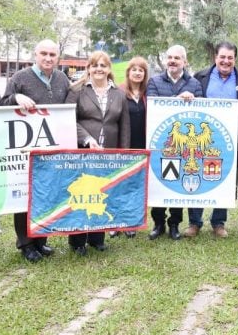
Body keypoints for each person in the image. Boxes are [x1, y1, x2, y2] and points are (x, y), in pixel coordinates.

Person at [0, 39, 70, 262]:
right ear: (35, 55)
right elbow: (1, 104)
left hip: (53, 146)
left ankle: (41, 240)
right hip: (25, 147)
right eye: (44, 54)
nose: (48, 58)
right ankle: (26, 243)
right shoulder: (19, 78)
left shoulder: (62, 78)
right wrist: (15, 97)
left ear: (58, 57)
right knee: (25, 196)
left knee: (48, 194)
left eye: (52, 54)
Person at [64, 51, 130, 255]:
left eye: (103, 65)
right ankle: (77, 241)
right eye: (95, 65)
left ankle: (97, 237)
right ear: (89, 68)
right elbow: (67, 119)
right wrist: (86, 138)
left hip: (108, 153)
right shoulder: (77, 90)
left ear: (109, 69)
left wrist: (123, 155)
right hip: (82, 151)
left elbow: (124, 126)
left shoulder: (118, 94)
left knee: (102, 193)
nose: (99, 69)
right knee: (81, 193)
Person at [188, 41, 238, 238]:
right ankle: (194, 222)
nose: (226, 61)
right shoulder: (200, 77)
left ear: (235, 59)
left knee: (223, 178)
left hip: (231, 139)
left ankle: (219, 222)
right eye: (222, 57)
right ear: (215, 58)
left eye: (230, 58)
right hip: (203, 138)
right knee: (199, 176)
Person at [145, 45, 203, 240]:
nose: (172, 61)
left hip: (184, 143)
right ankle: (158, 223)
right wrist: (176, 99)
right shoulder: (154, 81)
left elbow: (204, 110)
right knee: (160, 180)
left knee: (177, 182)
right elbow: (152, 105)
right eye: (169, 57)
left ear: (184, 62)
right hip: (161, 141)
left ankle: (175, 224)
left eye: (177, 58)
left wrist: (195, 100)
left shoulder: (194, 84)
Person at [111, 56, 150, 239]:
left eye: (140, 70)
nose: (137, 72)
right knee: (119, 183)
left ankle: (130, 222)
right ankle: (114, 222)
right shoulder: (119, 91)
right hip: (122, 143)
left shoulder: (149, 93)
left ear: (144, 74)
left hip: (142, 144)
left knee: (135, 185)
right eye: (133, 69)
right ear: (128, 72)